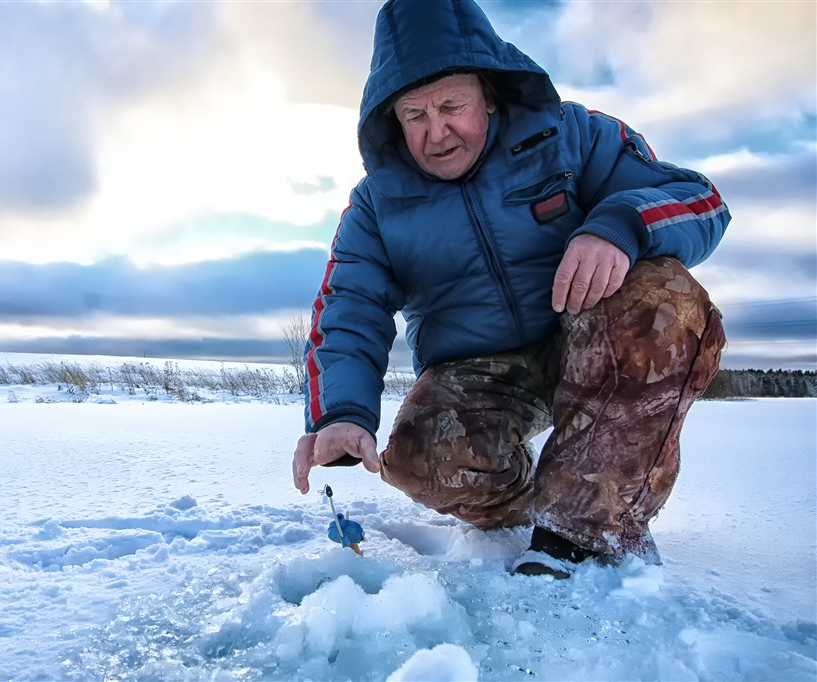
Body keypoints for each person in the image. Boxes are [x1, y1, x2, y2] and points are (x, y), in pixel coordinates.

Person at [291, 0, 728, 578]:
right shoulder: (375, 204)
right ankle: (544, 501)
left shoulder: (572, 135)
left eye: (452, 105)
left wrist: (620, 227)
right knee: (421, 459)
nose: (436, 131)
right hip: (479, 371)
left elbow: (700, 200)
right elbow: (350, 307)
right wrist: (340, 414)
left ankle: (584, 534)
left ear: (489, 93)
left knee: (661, 300)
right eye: (414, 115)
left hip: (586, 337)